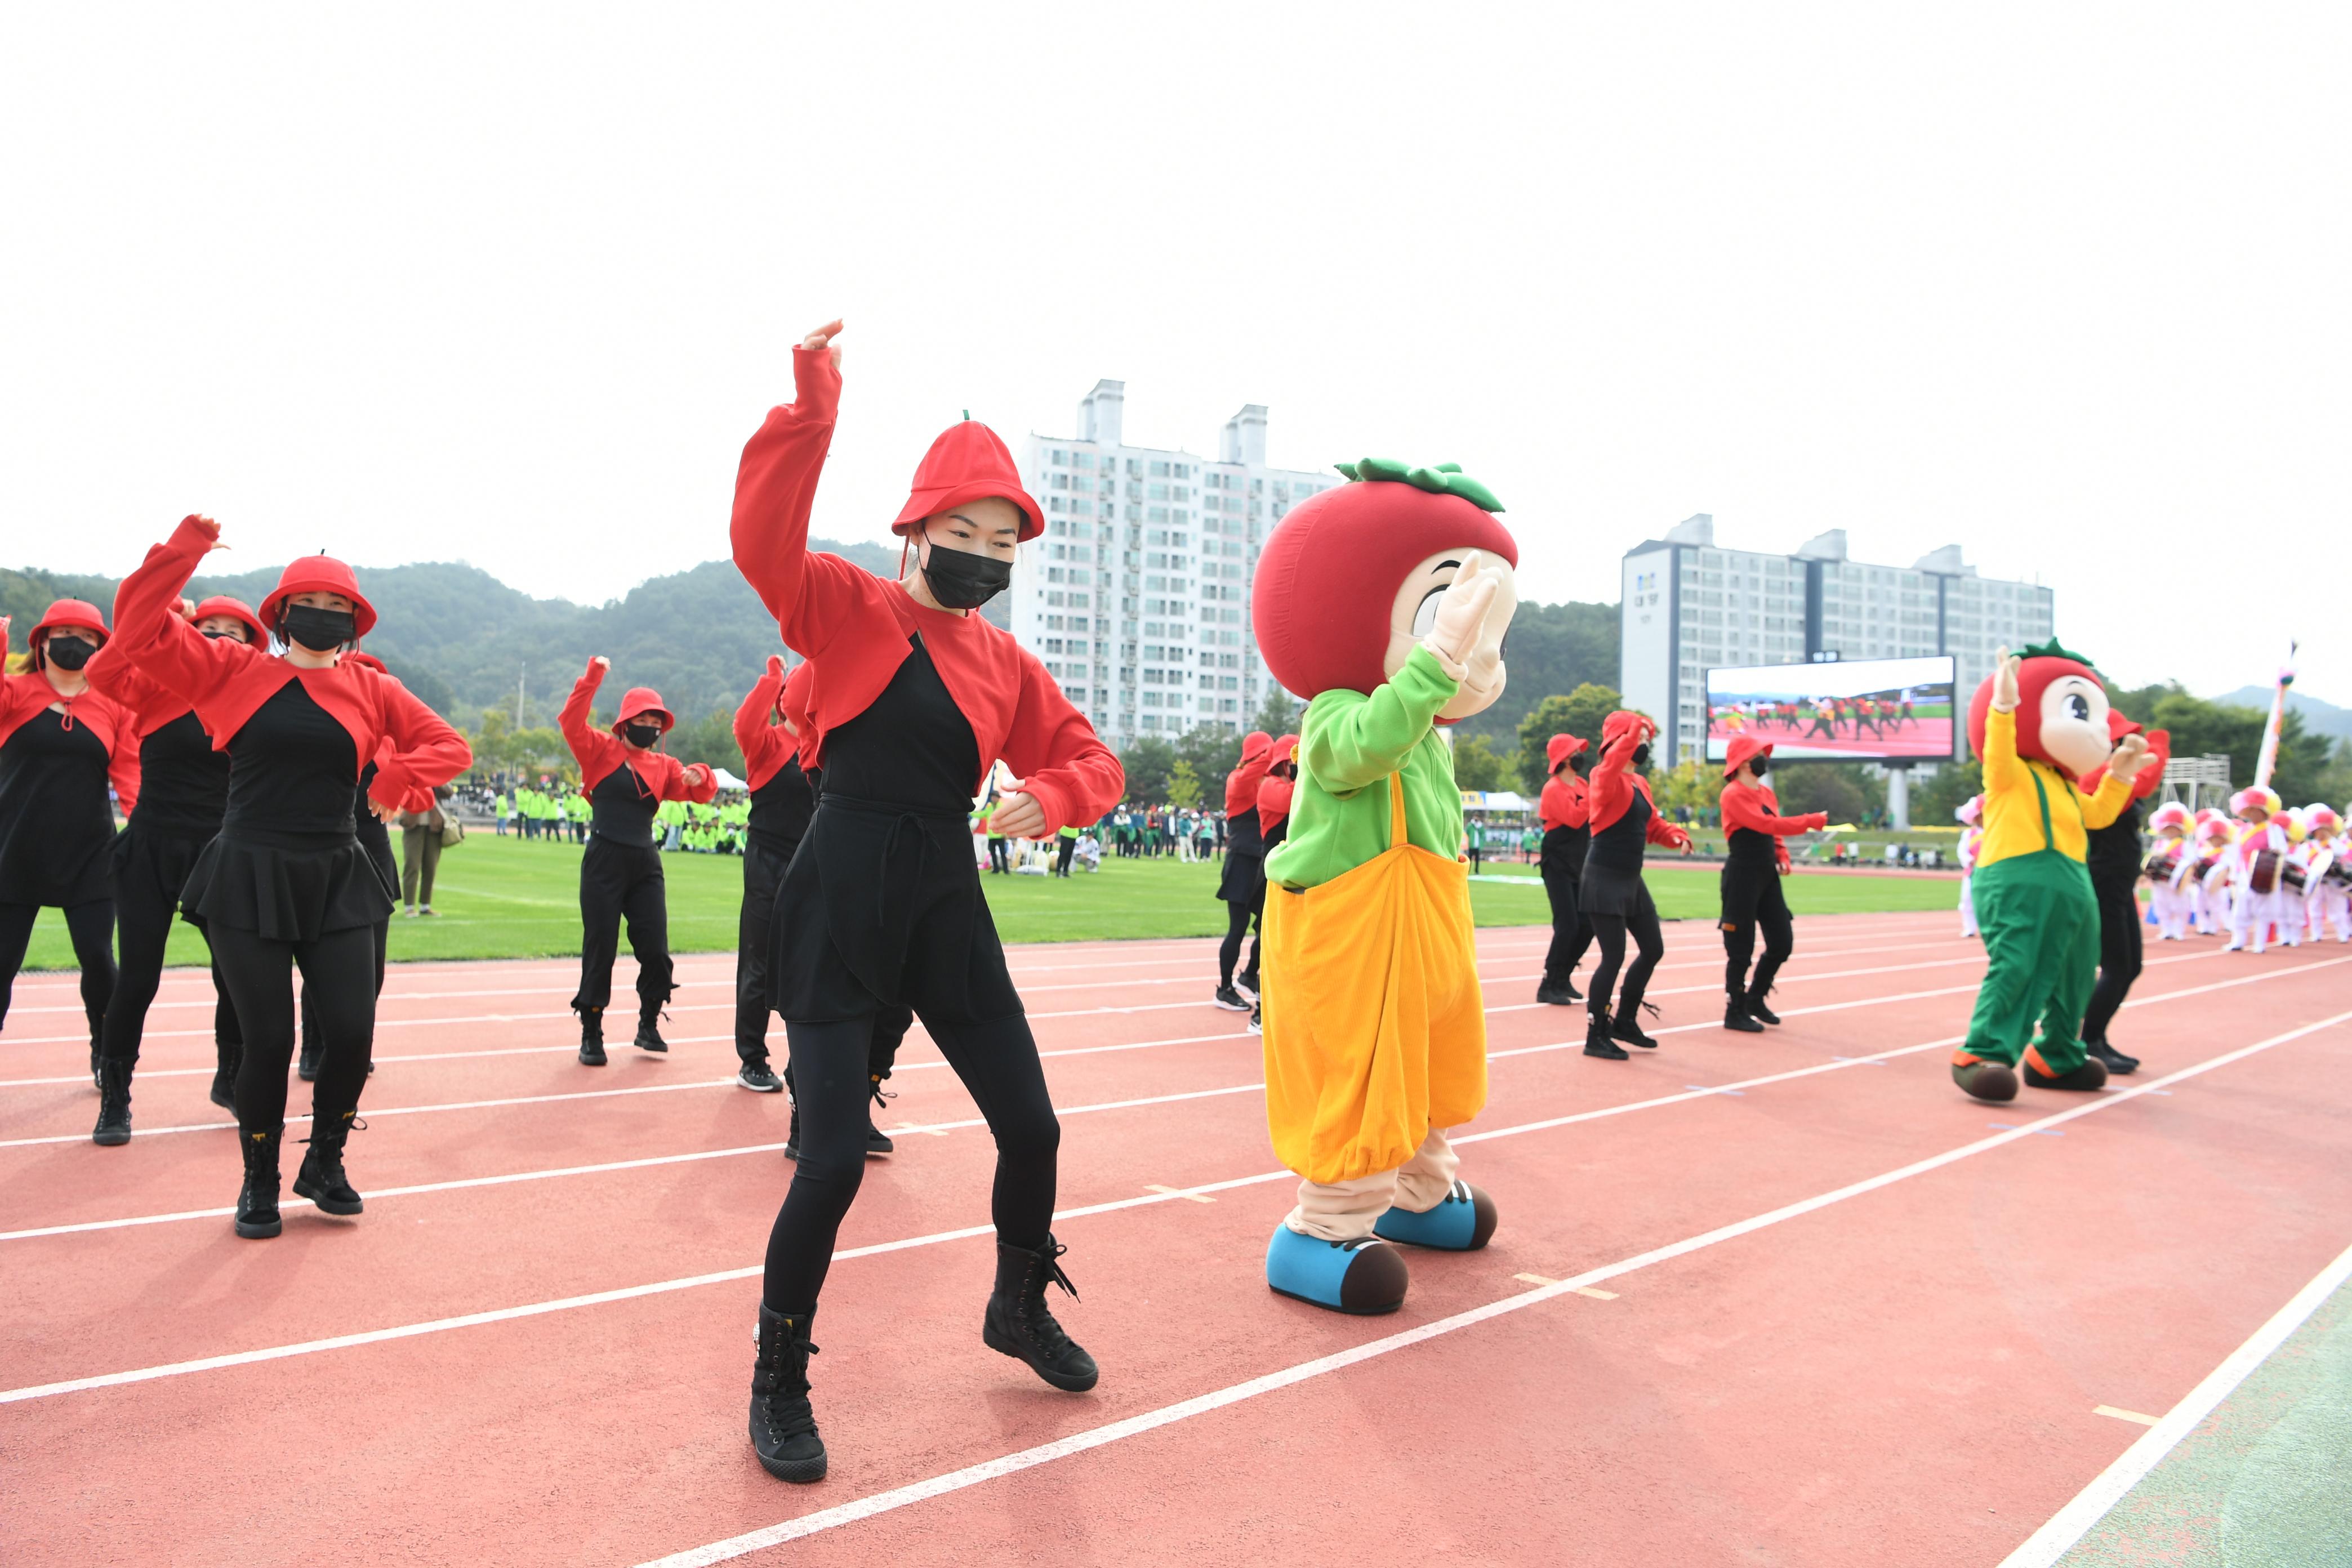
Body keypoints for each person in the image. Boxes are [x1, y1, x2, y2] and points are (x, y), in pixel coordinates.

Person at [728, 317, 1125, 1482]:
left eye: (1004, 540)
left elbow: (1093, 761)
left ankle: (1015, 1304)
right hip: (844, 889)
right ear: (914, 532)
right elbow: (763, 541)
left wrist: (1050, 796)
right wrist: (811, 405)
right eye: (964, 532)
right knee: (836, 1159)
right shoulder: (849, 610)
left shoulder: (1008, 665)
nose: (984, 554)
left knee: (1034, 1127)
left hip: (948, 901)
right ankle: (778, 1377)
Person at [110, 516, 470, 1236]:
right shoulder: (230, 669)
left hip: (338, 870)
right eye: (312, 604)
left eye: (340, 609)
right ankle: (259, 1181)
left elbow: (449, 745)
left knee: (352, 1034)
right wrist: (182, 552)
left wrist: (395, 777)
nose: (325, 617)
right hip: (249, 869)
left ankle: (325, 1161)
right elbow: (137, 627)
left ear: (356, 624)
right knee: (268, 1039)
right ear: (279, 613)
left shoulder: (373, 689)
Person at [1249, 455, 1518, 1316]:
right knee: (1364, 1074)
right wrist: (1435, 656)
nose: (1469, 651)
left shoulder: (1434, 741)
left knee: (1427, 1066)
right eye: (1442, 614)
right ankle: (1320, 1229)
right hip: (1353, 927)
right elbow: (1359, 747)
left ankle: (1421, 1193)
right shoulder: (1335, 711)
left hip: (1426, 921)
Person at [85, 594, 263, 1141]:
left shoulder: (256, 699)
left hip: (223, 852)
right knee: (138, 976)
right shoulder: (154, 686)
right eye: (208, 628)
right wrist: (164, 608)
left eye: (234, 632)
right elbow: (106, 666)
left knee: (236, 978)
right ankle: (115, 1098)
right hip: (152, 849)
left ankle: (229, 1080)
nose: (220, 639)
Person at [1948, 643, 2146, 1103]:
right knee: (2017, 965)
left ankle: (2056, 1055)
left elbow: (2097, 816)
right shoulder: (2010, 774)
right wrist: (2004, 706)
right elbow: (1996, 752)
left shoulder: (2066, 785)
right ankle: (1982, 1054)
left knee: (2076, 971)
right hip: (2017, 876)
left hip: (2072, 883)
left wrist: (2120, 775)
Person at [0, 603, 140, 1090]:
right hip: (13, 850)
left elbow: (130, 777)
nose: (73, 643)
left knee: (99, 959)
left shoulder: (114, 705)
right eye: (62, 633)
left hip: (90, 856)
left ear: (101, 648)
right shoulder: (14, 693)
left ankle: (105, 1050)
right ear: (41, 642)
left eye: (85, 636)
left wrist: (145, 830)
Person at [559, 656, 717, 1064]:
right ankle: (591, 1032)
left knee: (656, 948)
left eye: (657, 723)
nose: (651, 728)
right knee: (601, 947)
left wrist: (701, 773)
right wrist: (593, 676)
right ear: (626, 720)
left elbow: (699, 790)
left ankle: (649, 1024)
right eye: (644, 720)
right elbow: (571, 721)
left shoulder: (664, 766)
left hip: (645, 863)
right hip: (604, 859)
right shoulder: (597, 750)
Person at [1578, 712, 1694, 1060]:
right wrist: (1633, 731)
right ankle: (1595, 1033)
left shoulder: (1640, 783)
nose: (1643, 746)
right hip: (1603, 877)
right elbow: (1613, 764)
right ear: (1617, 741)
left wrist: (1675, 836)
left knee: (1653, 948)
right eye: (1637, 740)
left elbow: (1653, 824)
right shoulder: (1603, 775)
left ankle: (1625, 1020)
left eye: (1646, 741)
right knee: (1613, 957)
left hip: (1631, 880)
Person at [1716, 737, 1828, 1033]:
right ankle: (1735, 1009)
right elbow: (1764, 825)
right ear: (1741, 763)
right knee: (1741, 948)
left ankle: (1755, 997)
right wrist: (1809, 822)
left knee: (1782, 942)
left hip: (1767, 875)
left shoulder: (1766, 793)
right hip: (1742, 875)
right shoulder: (1732, 794)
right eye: (1757, 755)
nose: (1763, 760)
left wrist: (1782, 854)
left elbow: (1774, 831)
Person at [2077, 717, 2170, 1073]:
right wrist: (2160, 742)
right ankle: (2088, 1041)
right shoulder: (2098, 775)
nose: (2137, 747)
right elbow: (2146, 781)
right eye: (2129, 740)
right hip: (2104, 881)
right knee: (2117, 966)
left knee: (2129, 967)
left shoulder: (2114, 772)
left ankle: (2095, 1038)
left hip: (2118, 883)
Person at [1213, 730, 1274, 1010]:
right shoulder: (1237, 780)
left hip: (1262, 865)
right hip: (1240, 862)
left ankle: (1249, 975)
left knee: (1266, 928)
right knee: (1236, 929)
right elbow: (1256, 770)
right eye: (1262, 754)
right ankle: (1224, 989)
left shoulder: (1267, 783)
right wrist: (1277, 750)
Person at [1534, 733, 1592, 1006]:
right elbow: (1574, 818)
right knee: (1567, 924)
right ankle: (1549, 983)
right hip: (1557, 861)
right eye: (1574, 753)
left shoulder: (1582, 784)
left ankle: (1564, 976)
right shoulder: (1554, 788)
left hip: (1579, 860)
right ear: (1564, 759)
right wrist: (1594, 798)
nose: (1580, 756)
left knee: (1587, 924)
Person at [2221, 786, 2300, 954]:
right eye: (2250, 811)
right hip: (2244, 874)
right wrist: (2234, 875)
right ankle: (2238, 941)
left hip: (2263, 875)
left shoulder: (2273, 829)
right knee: (2240, 910)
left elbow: (2281, 851)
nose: (2254, 814)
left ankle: (2259, 943)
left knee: (2263, 910)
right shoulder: (2241, 831)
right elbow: (2236, 854)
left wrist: (2273, 854)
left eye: (2257, 811)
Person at [398, 785, 450, 915]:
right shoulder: (411, 771)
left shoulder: (436, 775)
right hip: (413, 824)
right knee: (412, 866)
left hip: (434, 827)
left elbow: (448, 792)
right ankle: (409, 907)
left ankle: (425, 906)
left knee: (430, 867)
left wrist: (437, 781)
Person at [1955, 795, 1985, 938]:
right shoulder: (1969, 834)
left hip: (1990, 871)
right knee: (1967, 900)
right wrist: (1970, 860)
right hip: (1972, 872)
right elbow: (1962, 851)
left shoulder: (1994, 832)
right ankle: (1970, 928)